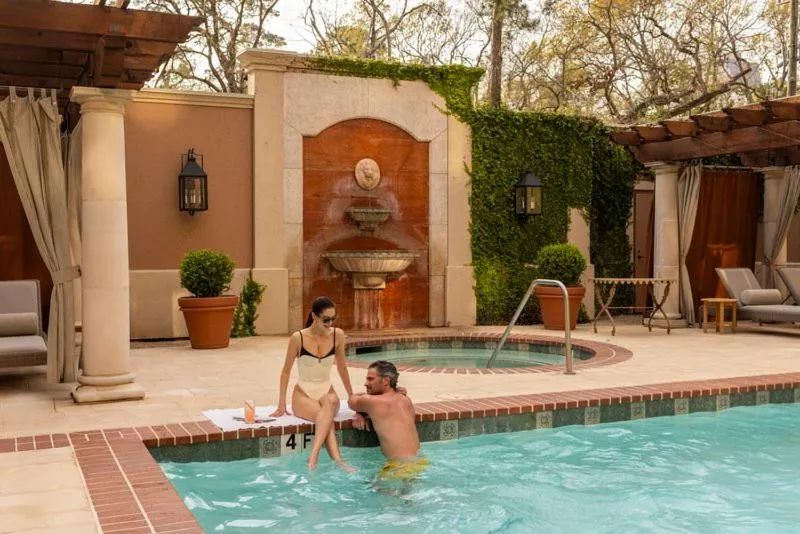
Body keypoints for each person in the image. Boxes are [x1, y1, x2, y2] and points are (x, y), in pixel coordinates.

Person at [271, 296, 355, 471]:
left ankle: (314, 457)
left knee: (330, 404)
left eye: (333, 318)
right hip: (303, 394)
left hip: (327, 392)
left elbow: (342, 368)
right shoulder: (298, 338)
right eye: (326, 319)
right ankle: (337, 460)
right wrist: (281, 404)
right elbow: (285, 371)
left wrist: (351, 395)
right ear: (314, 316)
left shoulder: (337, 336)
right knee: (325, 416)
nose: (330, 323)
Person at [348, 361, 427, 490]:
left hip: (399, 466)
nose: (365, 383)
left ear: (386, 381)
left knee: (371, 489)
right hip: (420, 461)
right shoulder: (405, 400)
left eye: (370, 379)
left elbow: (352, 400)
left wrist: (358, 411)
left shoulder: (372, 402)